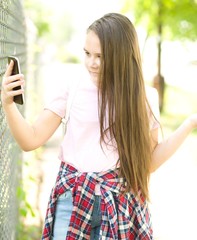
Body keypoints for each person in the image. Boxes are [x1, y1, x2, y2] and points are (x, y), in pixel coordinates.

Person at [1, 12, 197, 240]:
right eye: (87, 53)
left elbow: (148, 163)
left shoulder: (143, 98)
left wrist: (190, 123)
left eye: (100, 57)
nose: (91, 63)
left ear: (121, 57)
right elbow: (30, 139)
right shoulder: (72, 87)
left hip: (119, 207)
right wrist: (8, 105)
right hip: (71, 202)